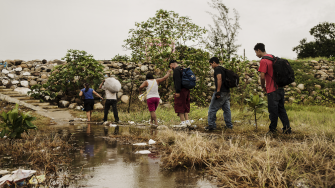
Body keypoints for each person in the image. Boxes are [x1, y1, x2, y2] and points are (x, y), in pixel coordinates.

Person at [254, 43, 291, 134]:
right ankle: (287, 129)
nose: (256, 54)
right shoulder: (273, 58)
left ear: (259, 50)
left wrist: (263, 86)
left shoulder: (264, 61)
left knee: (273, 111)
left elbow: (262, 77)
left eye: (256, 52)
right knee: (281, 109)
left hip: (272, 90)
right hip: (280, 88)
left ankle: (272, 130)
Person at [206, 57, 233, 131]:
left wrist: (218, 91)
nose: (211, 66)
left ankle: (211, 125)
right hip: (227, 92)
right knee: (227, 110)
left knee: (212, 109)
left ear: (214, 62)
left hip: (221, 92)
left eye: (211, 64)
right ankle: (229, 126)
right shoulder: (223, 69)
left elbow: (219, 79)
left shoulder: (217, 69)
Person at [169, 60, 191, 127]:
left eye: (170, 66)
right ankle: (187, 122)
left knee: (179, 105)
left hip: (181, 90)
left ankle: (182, 122)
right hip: (186, 90)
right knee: (185, 104)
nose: (170, 68)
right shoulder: (182, 69)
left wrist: (178, 91)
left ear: (172, 64)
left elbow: (177, 81)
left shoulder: (176, 70)